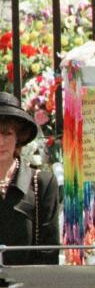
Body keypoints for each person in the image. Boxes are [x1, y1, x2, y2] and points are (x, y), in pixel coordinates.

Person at [0, 92, 60, 265]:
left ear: (19, 138)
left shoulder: (43, 183)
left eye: (7, 134)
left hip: (28, 287)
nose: (1, 142)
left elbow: (49, 251)